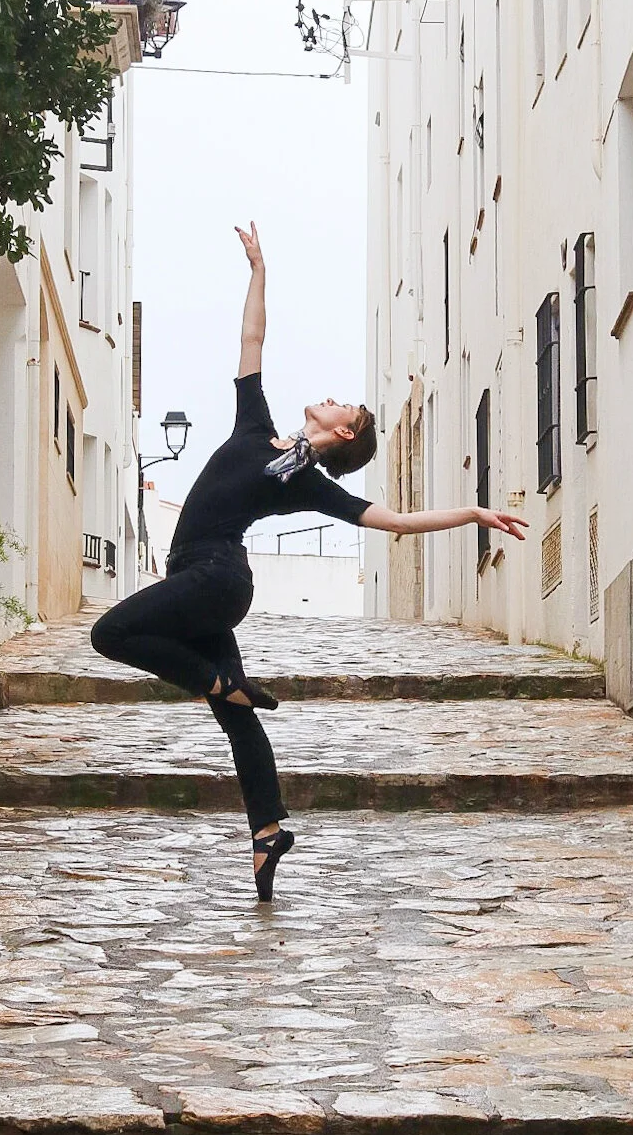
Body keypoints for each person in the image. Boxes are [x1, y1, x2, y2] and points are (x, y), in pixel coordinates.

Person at [91, 223, 528, 901]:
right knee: (238, 714)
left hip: (213, 574)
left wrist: (472, 513)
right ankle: (267, 832)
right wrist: (258, 269)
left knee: (109, 634)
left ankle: (216, 680)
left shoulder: (310, 482)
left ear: (343, 431)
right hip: (208, 582)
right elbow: (251, 340)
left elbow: (397, 522)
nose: (325, 394)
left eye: (338, 403)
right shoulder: (253, 425)